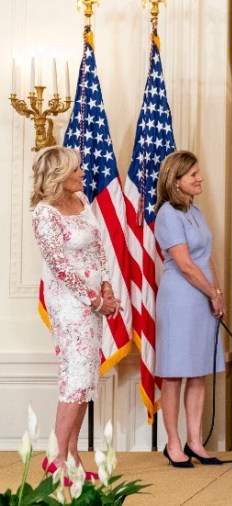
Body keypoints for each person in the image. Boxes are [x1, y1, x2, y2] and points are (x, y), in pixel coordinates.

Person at [31, 146, 121, 482]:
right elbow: (60, 266)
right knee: (75, 380)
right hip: (69, 304)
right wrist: (95, 300)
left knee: (85, 382)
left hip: (94, 300)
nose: (82, 173)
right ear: (58, 176)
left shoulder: (82, 201)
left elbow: (98, 248)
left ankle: (72, 456)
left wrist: (108, 287)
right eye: (75, 170)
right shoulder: (44, 213)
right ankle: (55, 459)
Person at [155, 150, 225, 467]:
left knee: (197, 372)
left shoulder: (195, 211)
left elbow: (205, 257)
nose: (200, 178)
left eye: (198, 172)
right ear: (176, 181)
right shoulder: (168, 214)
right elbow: (184, 264)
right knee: (175, 373)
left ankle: (195, 441)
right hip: (181, 300)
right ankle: (173, 443)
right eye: (193, 174)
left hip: (203, 296)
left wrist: (217, 292)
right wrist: (211, 291)